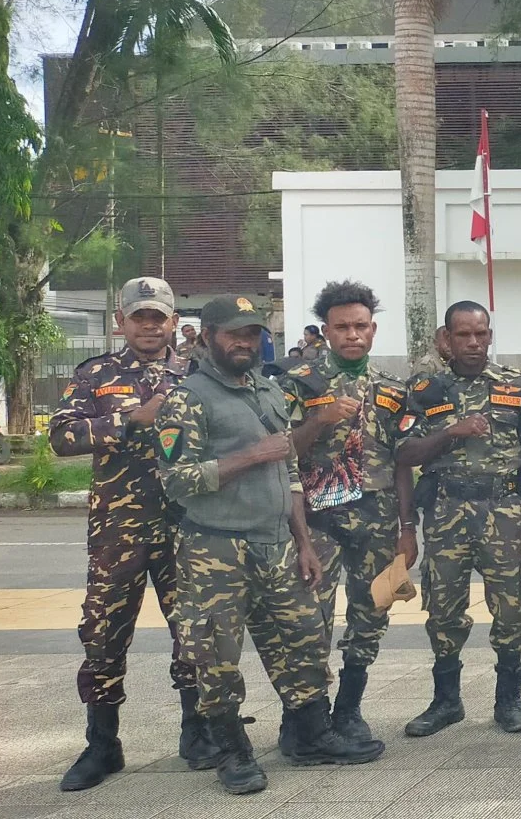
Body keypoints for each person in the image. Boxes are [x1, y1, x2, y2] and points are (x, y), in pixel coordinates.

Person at [156, 295, 385, 795]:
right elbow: (175, 480)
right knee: (216, 654)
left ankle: (310, 736)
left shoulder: (267, 390)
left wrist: (303, 540)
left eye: (252, 333)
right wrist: (250, 454)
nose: (245, 342)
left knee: (302, 640)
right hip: (216, 548)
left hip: (278, 543)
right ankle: (231, 751)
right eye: (234, 334)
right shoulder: (187, 398)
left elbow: (291, 471)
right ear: (207, 335)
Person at [50, 277, 211, 791]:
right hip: (119, 531)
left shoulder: (198, 374)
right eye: (139, 316)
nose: (149, 325)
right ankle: (102, 745)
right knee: (103, 633)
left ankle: (198, 733)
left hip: (186, 526)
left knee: (193, 631)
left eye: (158, 317)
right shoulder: (96, 375)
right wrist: (127, 418)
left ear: (174, 323)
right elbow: (62, 435)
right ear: (120, 321)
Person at [396, 301, 521, 737]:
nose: (473, 343)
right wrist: (451, 432)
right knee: (442, 608)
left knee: (510, 607)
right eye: (463, 335)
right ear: (446, 339)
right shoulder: (424, 389)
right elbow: (404, 455)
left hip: (502, 510)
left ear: (489, 335)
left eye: (480, 334)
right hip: (445, 510)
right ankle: (446, 701)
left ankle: (509, 699)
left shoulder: (515, 385)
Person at [278, 281, 409, 747]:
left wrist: (406, 529)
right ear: (326, 331)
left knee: (371, 611)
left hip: (376, 521)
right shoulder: (297, 382)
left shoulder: (394, 388)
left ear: (373, 330)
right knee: (308, 619)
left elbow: (403, 462)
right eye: (342, 327)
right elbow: (281, 450)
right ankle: (304, 717)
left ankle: (350, 710)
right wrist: (322, 419)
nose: (352, 334)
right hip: (317, 522)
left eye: (360, 326)